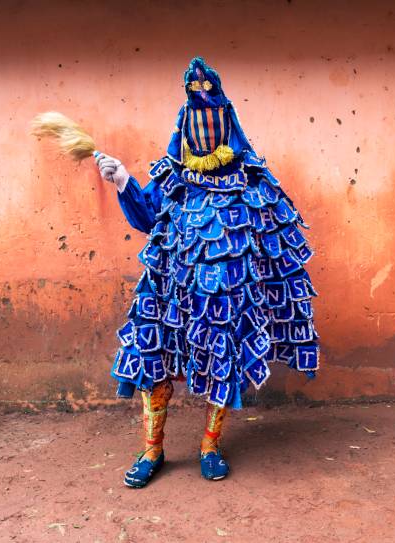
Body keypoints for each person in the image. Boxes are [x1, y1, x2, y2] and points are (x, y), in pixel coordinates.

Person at [94, 57, 319, 488]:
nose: (204, 130)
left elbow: (276, 237)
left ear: (227, 121)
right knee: (152, 368)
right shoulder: (172, 176)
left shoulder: (252, 180)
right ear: (184, 123)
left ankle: (210, 446)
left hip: (225, 300)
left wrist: (261, 290)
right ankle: (152, 449)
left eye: (211, 118)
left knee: (222, 368)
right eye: (195, 119)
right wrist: (123, 180)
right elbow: (146, 217)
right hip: (168, 291)